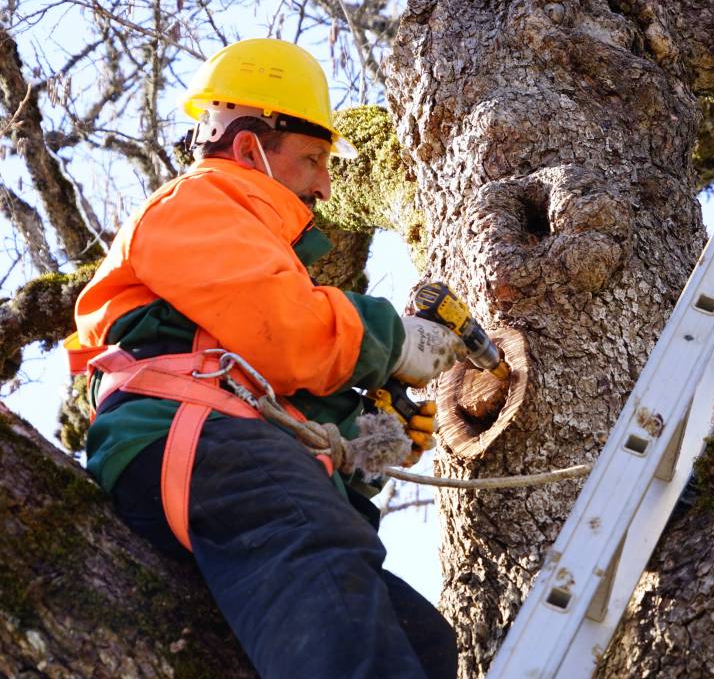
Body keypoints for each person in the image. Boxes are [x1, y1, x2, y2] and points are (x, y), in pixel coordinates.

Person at [68, 38, 461, 678]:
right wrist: (394, 339)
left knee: (422, 643)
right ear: (251, 146)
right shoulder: (195, 204)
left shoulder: (249, 259)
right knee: (322, 557)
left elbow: (273, 384)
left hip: (223, 451)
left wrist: (362, 446)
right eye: (312, 159)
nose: (326, 185)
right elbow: (286, 333)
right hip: (190, 436)